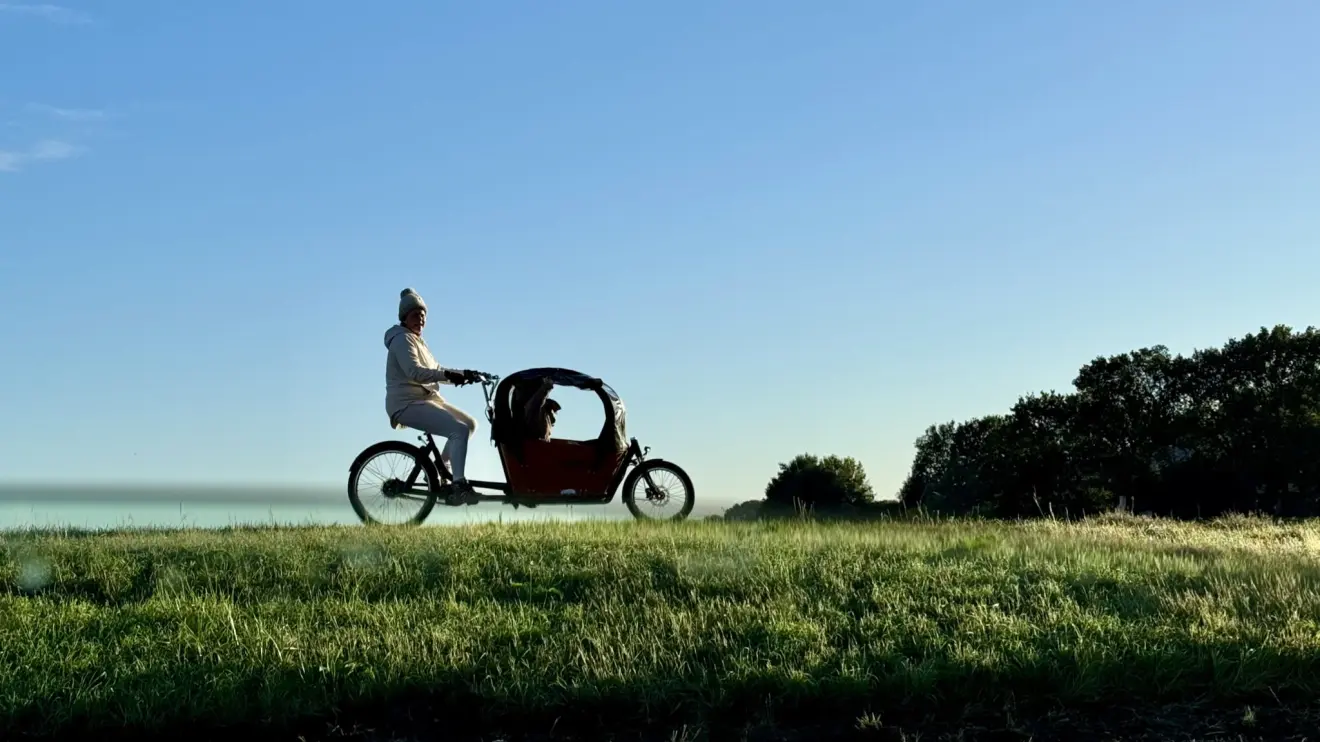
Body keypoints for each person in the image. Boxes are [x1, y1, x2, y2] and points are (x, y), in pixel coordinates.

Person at [384, 287, 483, 504]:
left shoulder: (418, 341)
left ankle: (443, 466)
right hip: (406, 403)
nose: (420, 318)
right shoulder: (402, 340)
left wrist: (465, 375)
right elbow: (416, 372)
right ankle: (458, 484)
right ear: (404, 317)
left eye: (422, 315)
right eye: (414, 315)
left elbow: (436, 368)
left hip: (425, 399)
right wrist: (449, 375)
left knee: (470, 424)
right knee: (458, 430)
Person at [519, 377, 561, 441]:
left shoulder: (548, 408)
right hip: (534, 443)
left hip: (542, 444)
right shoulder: (532, 406)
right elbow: (538, 400)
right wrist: (547, 385)